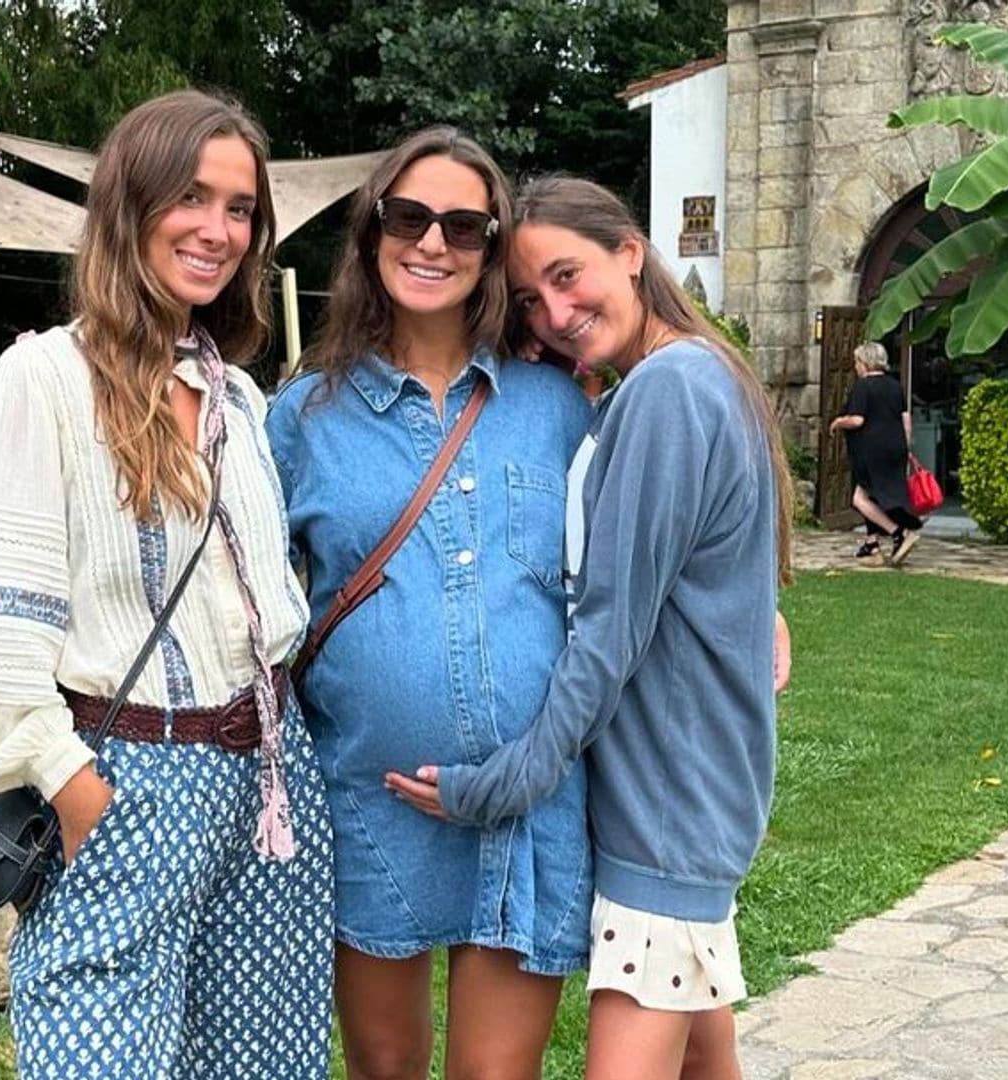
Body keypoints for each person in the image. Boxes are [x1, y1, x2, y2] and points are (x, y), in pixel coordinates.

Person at [0, 89, 333, 1080]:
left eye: (241, 209)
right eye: (193, 196)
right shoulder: (42, 380)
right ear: (130, 206)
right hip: (125, 778)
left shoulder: (236, 394)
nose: (219, 229)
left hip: (267, 790)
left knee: (258, 1064)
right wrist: (66, 779)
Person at [385, 177, 795, 1080]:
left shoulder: (670, 390)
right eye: (533, 298)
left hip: (670, 810)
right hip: (678, 794)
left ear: (631, 253)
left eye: (570, 276)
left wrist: (495, 787)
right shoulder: (665, 382)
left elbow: (608, 637)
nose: (559, 312)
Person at [266, 129, 592, 1080]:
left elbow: (642, 560)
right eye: (409, 218)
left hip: (526, 801)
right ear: (372, 232)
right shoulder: (305, 418)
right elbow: (229, 589)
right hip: (371, 804)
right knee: (384, 1068)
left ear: (494, 249)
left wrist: (749, 612)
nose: (432, 243)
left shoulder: (557, 407)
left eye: (463, 224)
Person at [828, 341, 921, 566]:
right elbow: (905, 419)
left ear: (866, 363)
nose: (856, 367)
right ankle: (872, 546)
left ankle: (899, 532)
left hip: (872, 451)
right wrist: (906, 446)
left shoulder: (864, 386)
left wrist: (838, 422)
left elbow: (857, 419)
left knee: (859, 499)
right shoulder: (894, 385)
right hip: (895, 448)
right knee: (875, 496)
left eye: (857, 362)